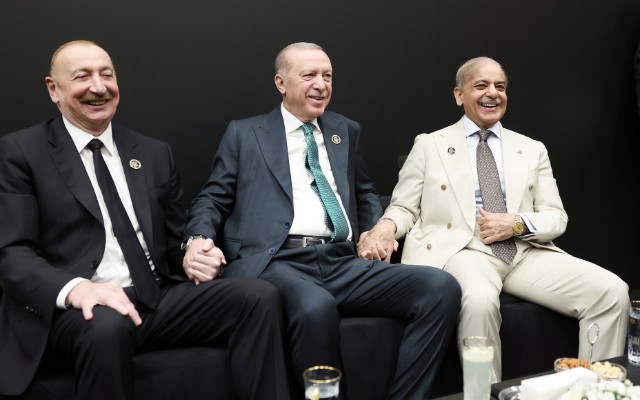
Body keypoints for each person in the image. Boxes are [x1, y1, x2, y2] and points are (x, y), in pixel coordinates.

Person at [0, 40, 291, 400]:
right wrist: (77, 289)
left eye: (107, 75)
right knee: (107, 327)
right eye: (82, 77)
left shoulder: (153, 153)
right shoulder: (20, 153)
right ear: (53, 89)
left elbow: (174, 242)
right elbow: (12, 255)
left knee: (257, 296)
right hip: (81, 307)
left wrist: (192, 253)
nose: (98, 87)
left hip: (154, 297)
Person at [181, 42, 461, 400]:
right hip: (277, 261)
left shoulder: (346, 130)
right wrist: (197, 240)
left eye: (327, 76)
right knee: (316, 307)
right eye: (309, 75)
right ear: (281, 83)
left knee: (440, 287)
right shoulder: (245, 133)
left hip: (341, 260)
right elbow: (212, 197)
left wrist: (373, 231)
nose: (321, 84)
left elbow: (364, 192)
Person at [358, 56, 630, 382]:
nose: (493, 93)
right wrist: (384, 228)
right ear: (459, 95)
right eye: (481, 85)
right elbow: (404, 207)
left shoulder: (531, 149)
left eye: (500, 86)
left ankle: (596, 390)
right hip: (464, 249)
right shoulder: (430, 145)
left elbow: (556, 217)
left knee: (612, 292)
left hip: (523, 250)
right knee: (478, 300)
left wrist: (516, 223)